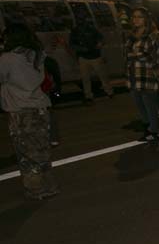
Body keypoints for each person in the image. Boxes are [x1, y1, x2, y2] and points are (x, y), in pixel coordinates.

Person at [0, 25, 58, 200]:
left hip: (20, 110)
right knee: (42, 149)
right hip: (40, 107)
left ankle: (36, 189)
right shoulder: (36, 55)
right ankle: (50, 185)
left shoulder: (8, 58)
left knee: (26, 153)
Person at [125, 7, 159, 142]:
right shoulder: (132, 34)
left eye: (139, 17)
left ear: (146, 19)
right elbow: (128, 54)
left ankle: (154, 131)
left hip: (148, 73)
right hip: (133, 73)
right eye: (134, 17)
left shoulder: (154, 34)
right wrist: (135, 55)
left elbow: (152, 55)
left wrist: (134, 55)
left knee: (149, 104)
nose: (136, 19)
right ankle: (147, 128)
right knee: (139, 103)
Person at [69, 12, 113, 102]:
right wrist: (81, 49)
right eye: (79, 19)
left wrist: (99, 44)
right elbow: (72, 44)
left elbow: (101, 39)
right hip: (84, 57)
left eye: (81, 19)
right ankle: (89, 95)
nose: (80, 21)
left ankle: (109, 91)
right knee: (86, 78)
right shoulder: (75, 31)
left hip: (94, 56)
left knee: (102, 76)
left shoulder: (91, 29)